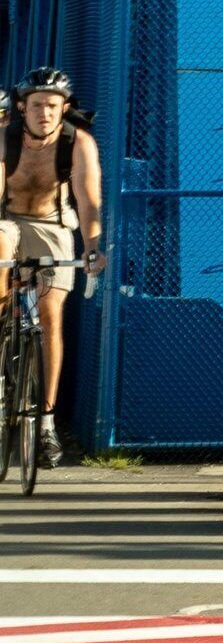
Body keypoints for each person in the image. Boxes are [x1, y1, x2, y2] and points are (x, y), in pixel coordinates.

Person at [1, 70, 102, 461]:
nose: (45, 113)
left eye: (53, 106)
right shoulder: (6, 137)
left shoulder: (78, 143)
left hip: (53, 224)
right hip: (6, 220)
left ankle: (45, 422)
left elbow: (88, 199)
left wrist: (93, 245)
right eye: (38, 105)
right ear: (23, 106)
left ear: (65, 108)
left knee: (50, 317)